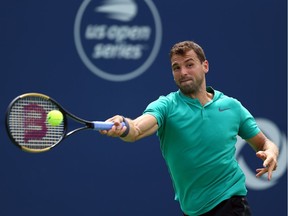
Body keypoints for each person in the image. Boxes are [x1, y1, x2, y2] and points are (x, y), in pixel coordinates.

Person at [99, 40, 279, 216]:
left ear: (205, 66)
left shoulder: (232, 107)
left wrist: (271, 153)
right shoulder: (166, 106)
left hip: (231, 202)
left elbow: (264, 143)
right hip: (192, 210)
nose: (183, 72)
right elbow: (137, 129)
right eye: (176, 68)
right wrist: (123, 126)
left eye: (189, 65)